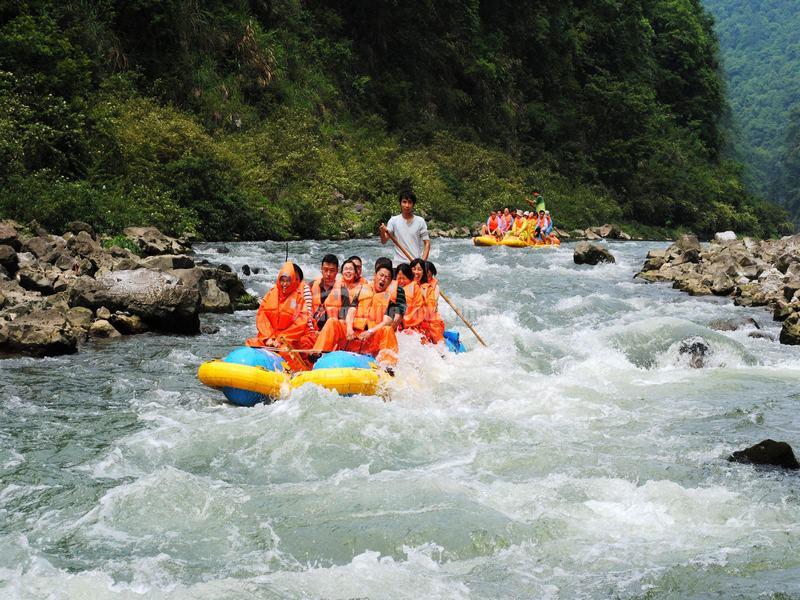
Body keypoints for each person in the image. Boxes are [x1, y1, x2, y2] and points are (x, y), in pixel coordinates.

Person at [311, 259, 400, 365]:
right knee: (332, 321)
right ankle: (318, 356)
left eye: (387, 278)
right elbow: (351, 311)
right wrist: (349, 329)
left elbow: (387, 321)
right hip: (352, 337)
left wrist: (370, 332)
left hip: (370, 341)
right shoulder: (361, 291)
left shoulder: (391, 300)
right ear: (375, 275)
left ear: (390, 282)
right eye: (381, 275)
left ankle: (388, 366)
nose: (383, 279)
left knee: (388, 330)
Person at [246, 261, 316, 370]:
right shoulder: (271, 293)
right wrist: (268, 338)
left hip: (287, 341)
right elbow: (262, 317)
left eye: (288, 281)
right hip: (269, 338)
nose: (284, 284)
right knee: (251, 343)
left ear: (293, 281)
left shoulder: (299, 299)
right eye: (282, 280)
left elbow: (299, 324)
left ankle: (297, 372)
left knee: (285, 352)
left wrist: (280, 340)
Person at [379, 190, 430, 263]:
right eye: (404, 202)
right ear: (400, 203)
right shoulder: (393, 220)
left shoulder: (420, 221)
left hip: (415, 264)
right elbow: (384, 241)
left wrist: (422, 263)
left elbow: (427, 243)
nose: (407, 205)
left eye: (410, 202)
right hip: (398, 264)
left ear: (413, 204)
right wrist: (382, 231)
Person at [310, 254, 339, 330]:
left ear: (337, 271)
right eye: (325, 270)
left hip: (331, 329)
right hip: (312, 328)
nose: (328, 274)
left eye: (332, 271)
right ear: (321, 269)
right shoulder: (312, 285)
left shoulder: (342, 290)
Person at [394, 263, 426, 333]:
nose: (401, 281)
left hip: (411, 326)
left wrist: (403, 321)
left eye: (404, 278)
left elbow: (418, 309)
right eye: (399, 278)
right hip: (394, 324)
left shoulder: (414, 288)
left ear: (410, 278)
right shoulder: (390, 286)